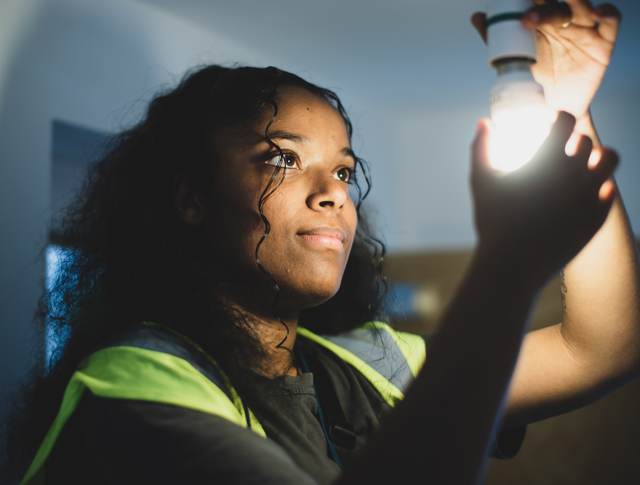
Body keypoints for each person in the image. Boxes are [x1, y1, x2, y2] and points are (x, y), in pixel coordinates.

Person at [4, 0, 638, 484]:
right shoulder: (134, 385)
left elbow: (601, 349)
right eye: (280, 159)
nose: (334, 193)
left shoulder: (370, 362)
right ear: (191, 198)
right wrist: (504, 268)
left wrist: (564, 109)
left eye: (342, 170)